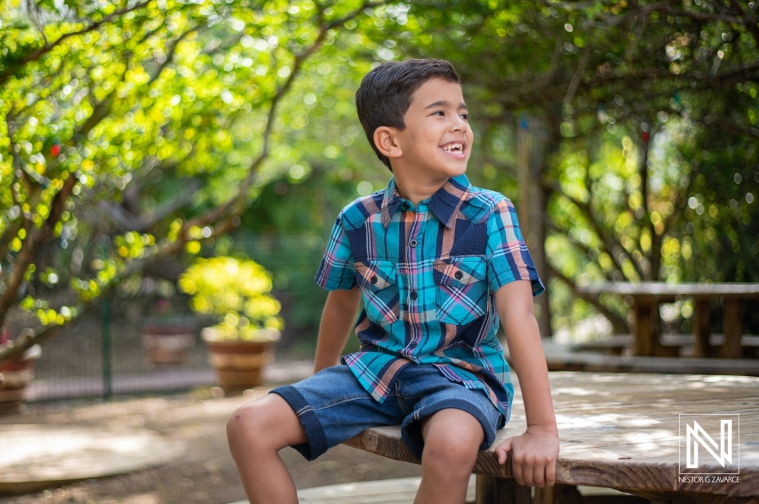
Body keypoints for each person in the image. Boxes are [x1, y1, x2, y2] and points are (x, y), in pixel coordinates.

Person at [227, 58, 559, 504]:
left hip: (461, 379)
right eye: (439, 113)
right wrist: (319, 389)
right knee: (247, 426)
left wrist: (541, 428)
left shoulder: (490, 213)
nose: (459, 124)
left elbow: (518, 315)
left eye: (463, 113)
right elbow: (341, 302)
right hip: (373, 373)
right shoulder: (357, 220)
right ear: (389, 140)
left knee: (451, 444)